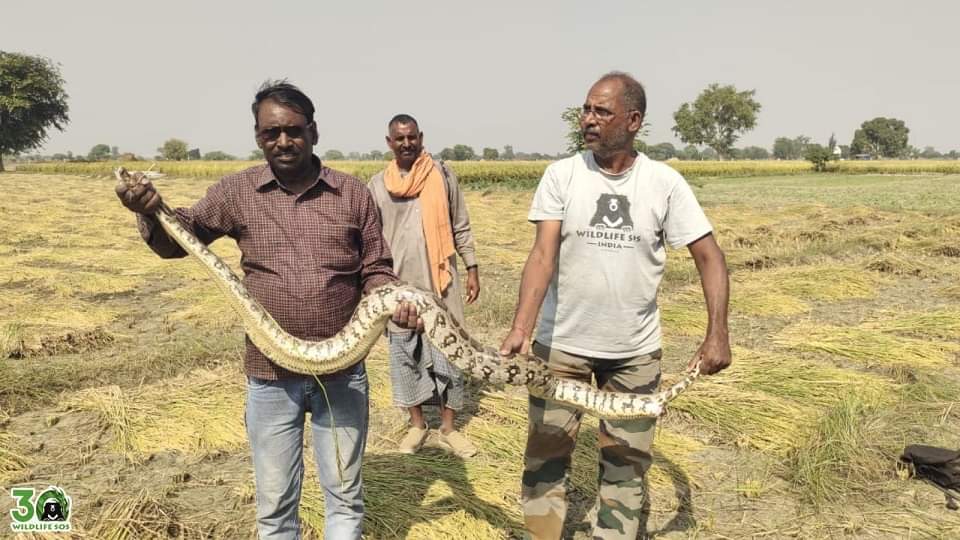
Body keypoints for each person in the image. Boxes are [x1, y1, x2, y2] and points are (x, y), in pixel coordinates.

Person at [115, 80, 422, 540]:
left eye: (293, 130)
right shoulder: (238, 191)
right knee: (275, 506)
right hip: (270, 376)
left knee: (344, 499)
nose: (283, 141)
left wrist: (391, 299)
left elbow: (376, 267)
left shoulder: (352, 194)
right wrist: (150, 211)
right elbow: (183, 238)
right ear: (258, 137)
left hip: (343, 375)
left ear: (313, 132)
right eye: (270, 133)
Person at [499, 72, 731, 540]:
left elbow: (710, 257)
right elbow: (542, 256)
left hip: (634, 355)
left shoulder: (664, 183)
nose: (588, 119)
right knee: (545, 461)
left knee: (626, 467)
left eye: (601, 111)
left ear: (633, 120)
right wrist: (522, 328)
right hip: (560, 349)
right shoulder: (562, 175)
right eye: (586, 109)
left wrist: (718, 333)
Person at [367, 114, 480, 458]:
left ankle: (449, 428)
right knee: (404, 356)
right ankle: (417, 425)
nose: (407, 143)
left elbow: (461, 224)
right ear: (389, 142)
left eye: (412, 137)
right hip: (398, 285)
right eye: (399, 138)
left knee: (450, 355)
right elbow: (371, 239)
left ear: (420, 137)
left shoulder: (442, 175)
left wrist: (472, 267)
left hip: (442, 282)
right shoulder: (377, 185)